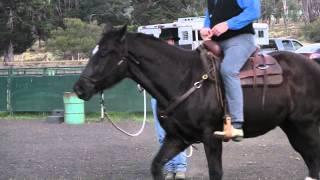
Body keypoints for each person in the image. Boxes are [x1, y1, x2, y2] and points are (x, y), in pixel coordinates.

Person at [200, 0, 261, 141]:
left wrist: (228, 24)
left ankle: (237, 124)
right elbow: (209, 16)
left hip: (240, 40)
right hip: (215, 42)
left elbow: (254, 11)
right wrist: (205, 28)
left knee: (228, 70)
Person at [151, 28, 187, 180]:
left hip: (177, 99)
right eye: (166, 40)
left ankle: (179, 168)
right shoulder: (156, 60)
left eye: (171, 40)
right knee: (161, 135)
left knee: (177, 134)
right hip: (158, 98)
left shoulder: (182, 59)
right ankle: (169, 168)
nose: (169, 43)